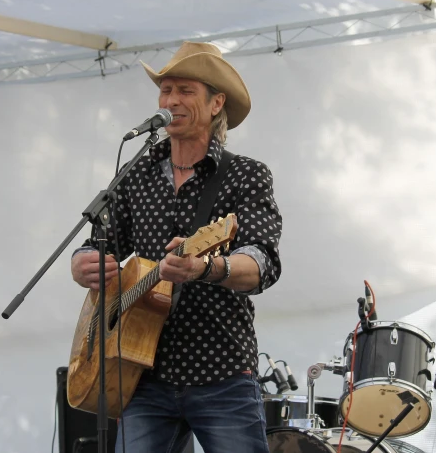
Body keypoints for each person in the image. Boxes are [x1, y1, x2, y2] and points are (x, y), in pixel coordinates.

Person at [71, 41, 283, 453]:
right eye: (166, 90)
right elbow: (98, 243)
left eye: (185, 91)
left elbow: (262, 263)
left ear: (216, 102)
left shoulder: (245, 175)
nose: (171, 100)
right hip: (141, 373)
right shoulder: (137, 174)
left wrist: (207, 269)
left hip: (220, 371)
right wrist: (83, 263)